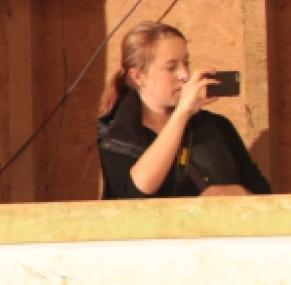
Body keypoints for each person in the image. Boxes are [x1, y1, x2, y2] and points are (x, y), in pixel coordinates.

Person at [98, 21, 271, 199]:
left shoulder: (215, 126)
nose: (185, 75)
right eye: (171, 67)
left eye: (186, 63)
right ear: (138, 76)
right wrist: (182, 114)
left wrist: (241, 192)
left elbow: (263, 191)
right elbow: (135, 191)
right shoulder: (114, 135)